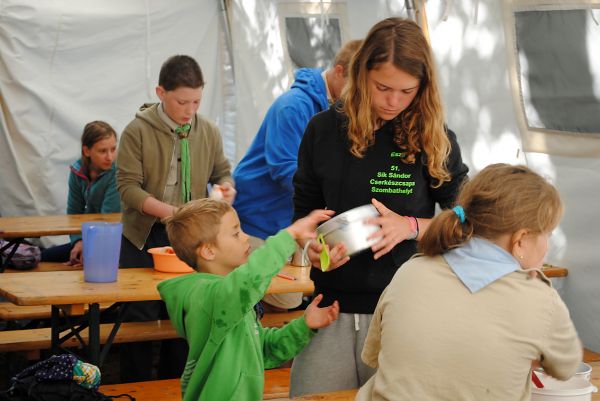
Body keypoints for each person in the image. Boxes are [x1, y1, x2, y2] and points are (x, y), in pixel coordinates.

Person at [290, 18, 469, 396]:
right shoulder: (323, 130)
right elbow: (302, 214)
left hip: (402, 311)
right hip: (329, 307)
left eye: (406, 91)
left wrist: (412, 227)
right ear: (360, 74)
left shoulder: (434, 138)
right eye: (382, 87)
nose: (393, 101)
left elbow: (466, 216)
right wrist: (311, 247)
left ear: (423, 87)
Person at [356, 163, 582, 401]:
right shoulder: (540, 300)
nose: (548, 245)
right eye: (547, 234)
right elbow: (566, 367)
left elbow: (377, 354)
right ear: (521, 240)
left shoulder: (410, 270)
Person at [116, 55, 235, 382]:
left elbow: (222, 171)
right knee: (138, 317)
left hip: (187, 238)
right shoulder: (136, 132)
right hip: (142, 237)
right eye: (182, 101)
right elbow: (127, 188)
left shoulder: (207, 130)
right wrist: (172, 213)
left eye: (196, 101)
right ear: (160, 92)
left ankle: (176, 386)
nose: (189, 109)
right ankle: (136, 386)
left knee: (185, 316)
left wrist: (227, 186)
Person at [158, 199, 340, 401]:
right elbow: (248, 280)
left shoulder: (230, 298)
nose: (246, 238)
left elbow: (265, 350)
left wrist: (304, 326)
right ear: (208, 251)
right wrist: (290, 236)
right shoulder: (206, 297)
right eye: (236, 233)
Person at [232, 39, 362, 311]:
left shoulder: (341, 109)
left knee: (296, 294)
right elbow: (283, 169)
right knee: (284, 296)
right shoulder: (293, 106)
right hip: (257, 219)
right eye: (357, 84)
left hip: (291, 222)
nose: (360, 94)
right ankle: (256, 345)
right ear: (339, 71)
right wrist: (335, 196)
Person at [41, 121, 120, 265]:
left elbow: (108, 219)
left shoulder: (118, 173)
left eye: (113, 149)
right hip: (91, 237)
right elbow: (74, 214)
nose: (110, 157)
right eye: (103, 151)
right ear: (86, 151)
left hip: (116, 242)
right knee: (40, 258)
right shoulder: (77, 171)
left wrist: (88, 246)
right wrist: (78, 241)